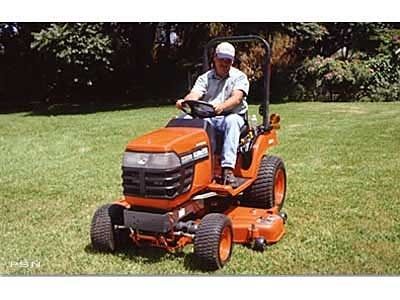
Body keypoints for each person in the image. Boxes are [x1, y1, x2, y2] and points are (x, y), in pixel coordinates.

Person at [176, 42, 250, 187]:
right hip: (208, 117)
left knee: (232, 121)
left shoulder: (239, 77)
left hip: (231, 116)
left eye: (228, 60)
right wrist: (185, 102)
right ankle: (179, 165)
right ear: (215, 58)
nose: (224, 63)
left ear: (232, 61)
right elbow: (195, 94)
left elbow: (237, 98)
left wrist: (222, 107)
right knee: (183, 121)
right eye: (221, 59)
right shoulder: (205, 78)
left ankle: (227, 169)